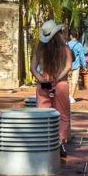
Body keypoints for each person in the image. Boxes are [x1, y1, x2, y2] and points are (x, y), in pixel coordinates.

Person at [31, 21, 74, 156]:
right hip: (60, 85)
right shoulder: (64, 48)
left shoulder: (39, 49)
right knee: (62, 115)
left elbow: (33, 68)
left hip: (43, 85)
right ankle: (60, 142)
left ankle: (45, 141)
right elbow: (68, 66)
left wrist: (41, 79)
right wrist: (58, 78)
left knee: (43, 115)